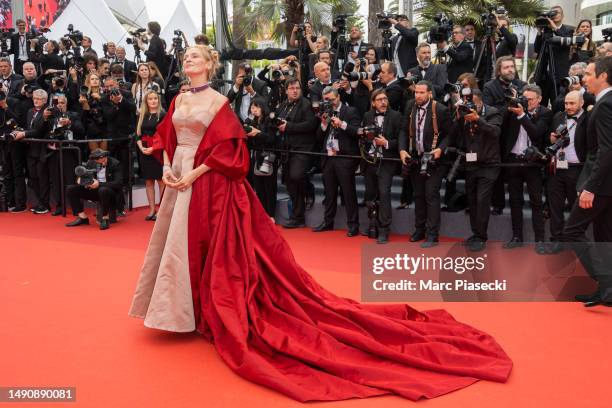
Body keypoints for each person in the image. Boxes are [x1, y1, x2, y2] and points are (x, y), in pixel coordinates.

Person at [128, 44, 512, 402]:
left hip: (207, 181)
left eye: (197, 55)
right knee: (178, 244)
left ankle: (206, 309)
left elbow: (230, 150)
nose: (190, 59)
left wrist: (191, 175)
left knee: (206, 245)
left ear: (210, 64)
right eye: (188, 55)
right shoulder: (178, 98)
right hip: (178, 175)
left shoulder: (220, 101)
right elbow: (167, 135)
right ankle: (181, 309)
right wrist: (165, 167)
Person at [562, 56, 612, 308]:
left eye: (590, 73)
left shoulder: (605, 105)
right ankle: (607, 290)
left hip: (600, 184)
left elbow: (606, 150)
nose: (584, 78)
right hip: (605, 183)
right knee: (604, 236)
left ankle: (606, 284)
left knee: (572, 231)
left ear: (603, 76)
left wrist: (590, 187)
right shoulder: (602, 103)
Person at [399, 81, 452, 248]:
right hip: (415, 157)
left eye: (422, 92)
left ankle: (432, 234)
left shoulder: (440, 109)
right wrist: (402, 149)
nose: (418, 96)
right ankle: (419, 229)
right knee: (418, 195)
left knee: (431, 194)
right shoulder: (410, 106)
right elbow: (402, 130)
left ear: (430, 93)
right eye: (416, 92)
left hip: (434, 161)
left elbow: (451, 134)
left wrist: (440, 149)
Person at [547, 91, 588, 253]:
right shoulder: (558, 116)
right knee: (555, 207)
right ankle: (557, 240)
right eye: (566, 103)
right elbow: (549, 138)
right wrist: (551, 139)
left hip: (578, 170)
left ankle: (577, 242)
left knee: (576, 208)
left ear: (582, 103)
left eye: (572, 103)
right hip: (556, 168)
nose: (568, 107)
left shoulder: (589, 118)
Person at [65, 149, 122, 230]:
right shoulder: (91, 162)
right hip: (94, 190)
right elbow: (84, 177)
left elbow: (118, 184)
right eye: (95, 159)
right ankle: (82, 217)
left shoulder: (115, 163)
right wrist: (81, 181)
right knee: (70, 189)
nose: (97, 161)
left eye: (99, 159)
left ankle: (105, 218)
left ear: (104, 156)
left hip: (110, 193)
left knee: (103, 190)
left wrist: (99, 184)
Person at [135, 90, 165, 220]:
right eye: (150, 99)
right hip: (144, 151)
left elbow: (166, 134)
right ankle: (152, 209)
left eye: (155, 99)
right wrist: (141, 147)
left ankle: (162, 210)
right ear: (146, 101)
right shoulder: (142, 115)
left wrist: (154, 148)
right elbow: (137, 134)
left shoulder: (163, 115)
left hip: (158, 151)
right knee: (148, 181)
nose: (153, 101)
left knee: (161, 181)